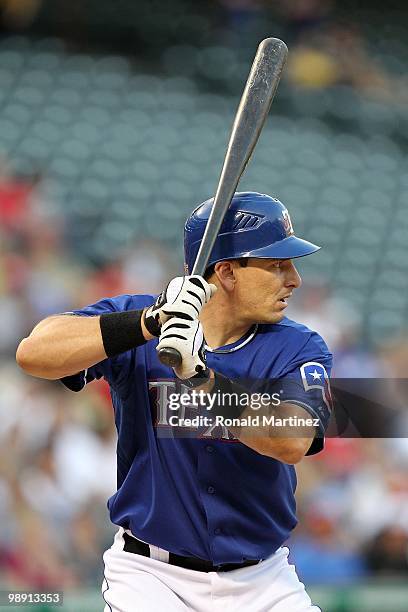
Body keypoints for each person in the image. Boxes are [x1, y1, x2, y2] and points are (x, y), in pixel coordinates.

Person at [16, 191, 332, 611]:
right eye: (276, 265)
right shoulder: (140, 318)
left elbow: (292, 440)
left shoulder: (299, 346)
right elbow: (34, 353)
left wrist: (199, 376)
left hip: (262, 579)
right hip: (151, 576)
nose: (294, 279)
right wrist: (149, 322)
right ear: (227, 272)